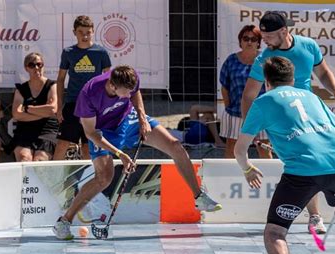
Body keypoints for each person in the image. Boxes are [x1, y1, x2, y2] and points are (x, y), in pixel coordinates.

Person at [234, 56, 335, 254]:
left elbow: (239, 148)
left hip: (302, 173)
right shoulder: (312, 97)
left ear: (267, 81)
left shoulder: (263, 102)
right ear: (293, 79)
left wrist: (247, 169)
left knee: (275, 230)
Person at [52, 65, 222, 240]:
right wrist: (120, 154)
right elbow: (91, 133)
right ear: (112, 86)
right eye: (125, 93)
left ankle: (198, 196)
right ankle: (64, 222)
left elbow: (135, 94)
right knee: (104, 177)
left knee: (175, 145)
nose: (128, 96)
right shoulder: (89, 94)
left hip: (128, 119)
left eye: (131, 91)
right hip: (102, 131)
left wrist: (142, 118)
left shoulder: (129, 78)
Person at [241, 11, 335, 234]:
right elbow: (249, 94)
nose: (265, 42)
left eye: (268, 36)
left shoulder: (308, 46)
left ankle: (319, 215)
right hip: (283, 116)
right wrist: (249, 129)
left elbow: (323, 72)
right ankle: (313, 215)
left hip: (309, 110)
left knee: (319, 157)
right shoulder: (265, 59)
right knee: (303, 162)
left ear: (284, 31)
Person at [53, 15, 111, 160]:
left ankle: (88, 180)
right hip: (73, 103)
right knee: (62, 144)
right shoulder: (68, 52)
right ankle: (51, 178)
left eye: (88, 32)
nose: (84, 36)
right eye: (81, 32)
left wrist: (106, 106)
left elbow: (109, 81)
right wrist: (59, 106)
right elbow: (60, 80)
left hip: (93, 106)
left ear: (93, 31)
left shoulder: (101, 52)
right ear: (74, 32)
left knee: (88, 146)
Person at [219, 25, 270, 158]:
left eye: (253, 39)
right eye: (245, 38)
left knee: (264, 146)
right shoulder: (231, 61)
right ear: (240, 41)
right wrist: (229, 107)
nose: (249, 42)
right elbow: (224, 86)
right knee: (232, 146)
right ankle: (229, 177)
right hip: (235, 113)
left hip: (261, 113)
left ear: (258, 42)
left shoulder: (265, 61)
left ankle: (270, 178)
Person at [11, 53, 58, 161]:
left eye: (39, 64)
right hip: (25, 130)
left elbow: (52, 109)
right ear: (26, 68)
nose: (36, 68)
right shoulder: (21, 89)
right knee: (24, 158)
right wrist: (42, 113)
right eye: (32, 65)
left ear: (43, 65)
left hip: (47, 130)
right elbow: (16, 114)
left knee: (39, 159)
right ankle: (24, 179)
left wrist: (28, 109)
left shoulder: (51, 85)